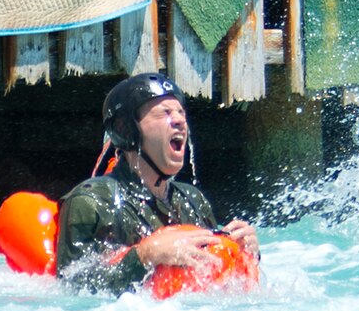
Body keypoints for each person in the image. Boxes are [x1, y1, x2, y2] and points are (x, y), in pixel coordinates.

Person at [56, 73, 260, 295]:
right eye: (164, 113)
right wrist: (145, 255)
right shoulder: (90, 203)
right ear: (126, 130)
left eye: (181, 112)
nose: (180, 120)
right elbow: (73, 287)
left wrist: (246, 253)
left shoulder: (192, 200)